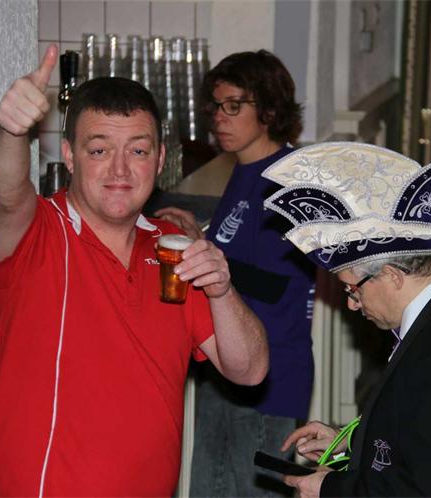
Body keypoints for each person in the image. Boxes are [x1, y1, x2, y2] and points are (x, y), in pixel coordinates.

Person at [0, 44, 269, 497]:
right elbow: (2, 193)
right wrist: (9, 130)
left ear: (160, 160)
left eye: (138, 150)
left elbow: (250, 370)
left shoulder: (173, 248)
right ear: (70, 156)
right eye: (99, 150)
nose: (120, 169)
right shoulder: (36, 232)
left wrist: (223, 290)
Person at [262, 142, 431, 497]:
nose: (352, 305)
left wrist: (327, 488)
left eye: (352, 289)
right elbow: (428, 432)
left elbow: (419, 489)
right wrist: (353, 441)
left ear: (391, 275)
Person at [157, 49, 316, 497]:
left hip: (270, 376)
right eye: (216, 106)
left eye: (233, 106)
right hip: (226, 364)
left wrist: (207, 258)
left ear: (269, 111)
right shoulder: (244, 169)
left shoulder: (288, 180)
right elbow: (243, 255)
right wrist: (200, 239)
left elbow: (278, 283)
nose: (219, 119)